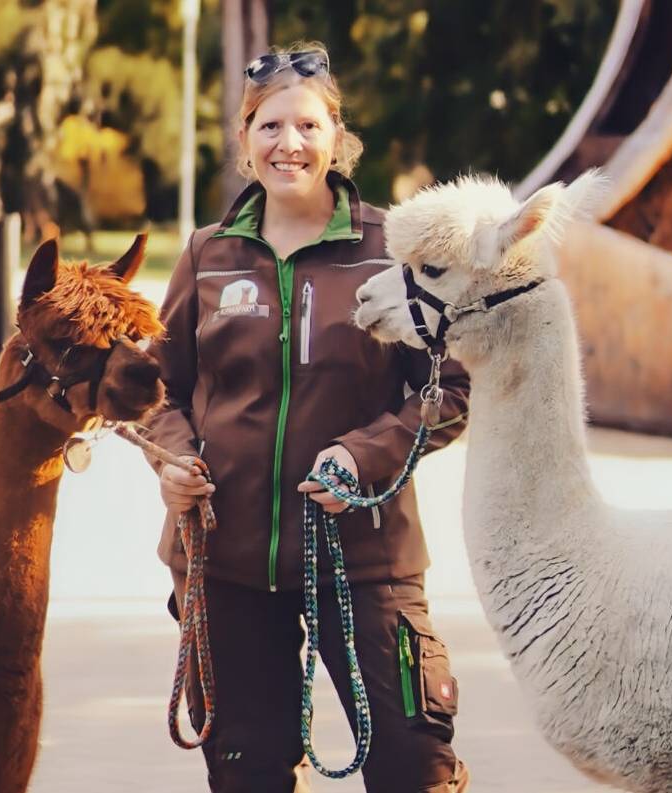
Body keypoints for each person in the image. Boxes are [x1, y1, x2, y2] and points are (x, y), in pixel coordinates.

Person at [141, 42, 472, 793]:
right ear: (245, 140)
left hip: (367, 559)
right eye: (269, 127)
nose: (288, 143)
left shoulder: (395, 250)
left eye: (307, 126)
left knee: (413, 766)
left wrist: (367, 454)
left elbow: (446, 389)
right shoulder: (208, 254)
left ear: (336, 138)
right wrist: (168, 457)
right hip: (227, 564)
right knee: (247, 773)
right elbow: (157, 386)